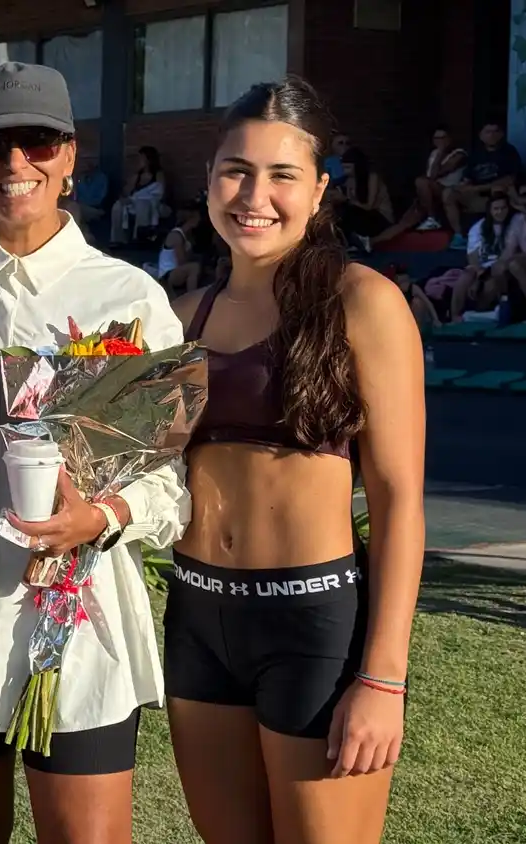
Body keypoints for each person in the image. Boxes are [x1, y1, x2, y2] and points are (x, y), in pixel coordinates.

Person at [0, 62, 189, 844]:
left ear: (69, 155)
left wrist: (104, 515)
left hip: (81, 627)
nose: (14, 163)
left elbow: (168, 474)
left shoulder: (128, 297)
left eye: (37, 142)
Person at [165, 76, 424, 844]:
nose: (255, 196)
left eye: (282, 175)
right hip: (196, 619)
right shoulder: (180, 316)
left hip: (313, 627)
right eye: (236, 171)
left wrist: (383, 677)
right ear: (209, 179)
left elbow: (399, 498)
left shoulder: (362, 302)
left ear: (318, 191)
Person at [374, 126, 467, 244]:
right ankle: (372, 242)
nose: (439, 141)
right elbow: (428, 175)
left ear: (449, 139)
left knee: (421, 182)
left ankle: (433, 218)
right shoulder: (433, 153)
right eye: (436, 138)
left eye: (443, 138)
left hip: (449, 190)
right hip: (431, 193)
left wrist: (440, 153)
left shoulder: (459, 153)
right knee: (407, 218)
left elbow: (436, 174)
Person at [443, 120, 521, 250]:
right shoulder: (476, 154)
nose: (492, 135)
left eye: (496, 131)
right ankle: (459, 236)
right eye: (488, 132)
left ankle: (497, 237)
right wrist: (464, 185)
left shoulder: (509, 152)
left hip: (499, 197)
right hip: (477, 198)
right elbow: (467, 177)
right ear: (481, 136)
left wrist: (476, 188)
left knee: (498, 189)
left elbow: (509, 180)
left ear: (502, 134)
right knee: (448, 193)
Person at [450, 192, 523, 322]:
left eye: (503, 208)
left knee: (492, 282)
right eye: (496, 209)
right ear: (490, 210)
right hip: (482, 267)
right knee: (465, 276)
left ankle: (486, 313)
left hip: (501, 266)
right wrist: (479, 274)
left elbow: (510, 251)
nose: (500, 212)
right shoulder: (478, 227)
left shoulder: (515, 222)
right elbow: (472, 255)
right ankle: (454, 316)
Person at [332, 147, 393, 252]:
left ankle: (360, 242)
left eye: (348, 167)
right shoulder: (349, 180)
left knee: (351, 212)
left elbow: (369, 206)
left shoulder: (372, 177)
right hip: (363, 216)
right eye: (344, 168)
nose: (345, 171)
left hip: (380, 217)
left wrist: (346, 199)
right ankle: (347, 243)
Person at [109, 145, 167, 244]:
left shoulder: (158, 174)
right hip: (134, 202)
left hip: (150, 203)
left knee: (142, 205)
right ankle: (118, 239)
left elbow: (160, 192)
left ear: (149, 160)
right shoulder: (137, 176)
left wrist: (142, 198)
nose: (139, 161)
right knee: (117, 206)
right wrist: (124, 198)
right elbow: (126, 192)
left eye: (142, 158)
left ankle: (139, 239)